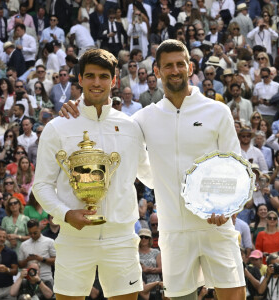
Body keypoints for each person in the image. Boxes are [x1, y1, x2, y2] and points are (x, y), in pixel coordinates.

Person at [60, 39, 247, 300]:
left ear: (190, 67)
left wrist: (226, 207)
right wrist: (78, 106)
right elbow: (105, 126)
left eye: (180, 64)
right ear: (157, 71)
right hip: (173, 232)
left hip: (216, 226)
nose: (175, 70)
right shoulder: (143, 118)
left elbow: (236, 167)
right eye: (167, 66)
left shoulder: (218, 111)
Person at [33, 48, 153, 300]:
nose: (96, 83)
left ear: (114, 80)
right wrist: (65, 213)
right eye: (90, 76)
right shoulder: (58, 127)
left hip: (121, 237)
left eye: (103, 76)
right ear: (79, 79)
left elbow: (151, 176)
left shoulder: (131, 127)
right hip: (74, 237)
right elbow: (41, 185)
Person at [18, 219, 55, 284]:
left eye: (35, 233)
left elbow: (55, 261)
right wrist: (27, 260)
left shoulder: (50, 242)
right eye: (30, 233)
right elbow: (20, 265)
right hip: (29, 279)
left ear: (40, 229)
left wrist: (41, 259)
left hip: (45, 278)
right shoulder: (24, 245)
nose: (32, 235)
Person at [0, 228, 18, 300]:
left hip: (9, 288)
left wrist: (7, 270)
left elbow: (15, 271)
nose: (1, 239)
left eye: (4, 237)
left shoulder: (11, 253)